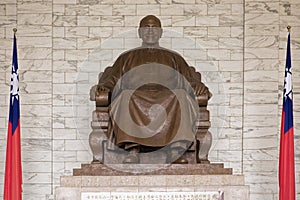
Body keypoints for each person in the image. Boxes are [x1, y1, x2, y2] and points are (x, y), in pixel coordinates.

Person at [97, 15, 210, 164]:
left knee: (181, 95)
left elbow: (188, 79)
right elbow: (112, 79)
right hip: (134, 97)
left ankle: (175, 150)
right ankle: (133, 149)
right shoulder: (127, 57)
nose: (150, 31)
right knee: (126, 96)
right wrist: (102, 87)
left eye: (154, 28)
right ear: (139, 32)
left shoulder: (174, 57)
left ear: (161, 32)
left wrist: (198, 86)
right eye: (146, 28)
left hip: (169, 97)